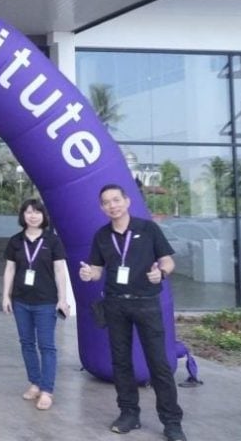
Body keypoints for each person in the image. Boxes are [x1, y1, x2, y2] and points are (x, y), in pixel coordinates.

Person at [78, 184, 186, 441]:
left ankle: (171, 422)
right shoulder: (102, 235)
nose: (112, 205)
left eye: (116, 200)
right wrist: (89, 273)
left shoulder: (148, 229)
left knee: (158, 363)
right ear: (102, 207)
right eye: (106, 202)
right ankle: (129, 413)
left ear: (127, 201)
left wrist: (161, 272)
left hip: (146, 303)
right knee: (121, 362)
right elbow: (97, 269)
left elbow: (168, 260)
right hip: (116, 305)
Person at [1, 199, 69, 411]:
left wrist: (63, 298)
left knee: (47, 346)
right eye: (29, 212)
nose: (33, 216)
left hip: (46, 301)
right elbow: (10, 269)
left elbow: (60, 270)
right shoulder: (16, 241)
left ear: (43, 216)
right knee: (27, 343)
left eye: (37, 212)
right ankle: (35, 383)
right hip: (21, 301)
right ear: (23, 216)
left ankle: (47, 390)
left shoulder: (52, 241)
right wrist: (6, 296)